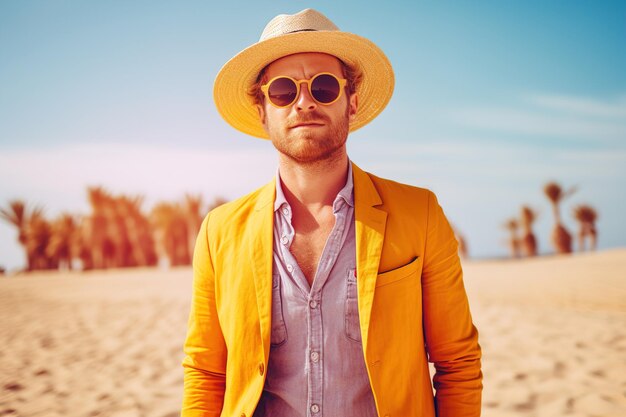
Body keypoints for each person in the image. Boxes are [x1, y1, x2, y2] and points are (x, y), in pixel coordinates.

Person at [182, 8, 482, 417]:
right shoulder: (220, 232)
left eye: (323, 87)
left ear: (352, 102)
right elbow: (206, 372)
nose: (304, 102)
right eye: (284, 91)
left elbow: (458, 362)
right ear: (262, 111)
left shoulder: (420, 214)